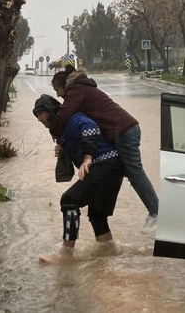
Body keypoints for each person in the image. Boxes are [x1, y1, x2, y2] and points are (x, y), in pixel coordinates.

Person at [50, 65, 159, 234]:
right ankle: (154, 211)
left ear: (65, 85)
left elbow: (64, 114)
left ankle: (156, 211)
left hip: (124, 131)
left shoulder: (76, 91)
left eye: (57, 89)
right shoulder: (83, 88)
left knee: (135, 171)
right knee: (130, 171)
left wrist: (54, 131)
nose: (58, 95)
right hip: (125, 130)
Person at [33, 94, 125, 263]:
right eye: (38, 117)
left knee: (69, 200)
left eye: (42, 115)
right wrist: (63, 151)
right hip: (112, 167)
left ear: (52, 112)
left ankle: (66, 253)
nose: (41, 120)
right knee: (97, 215)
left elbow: (91, 128)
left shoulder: (74, 119)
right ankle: (109, 252)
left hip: (106, 165)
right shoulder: (62, 130)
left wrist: (88, 157)